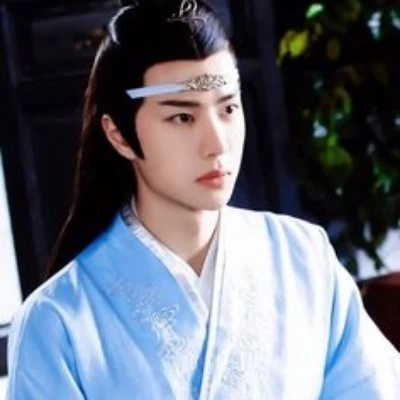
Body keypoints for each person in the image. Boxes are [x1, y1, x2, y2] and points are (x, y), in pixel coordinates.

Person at [6, 1, 400, 399]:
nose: (217, 144)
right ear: (119, 135)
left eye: (228, 108)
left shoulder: (304, 256)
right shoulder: (55, 322)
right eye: (182, 117)